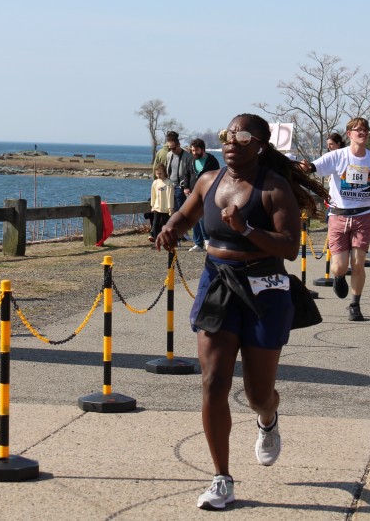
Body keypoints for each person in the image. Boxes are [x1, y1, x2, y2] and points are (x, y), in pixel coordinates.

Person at [154, 113, 328, 510]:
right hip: (218, 283)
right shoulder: (207, 180)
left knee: (258, 394)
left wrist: (246, 229)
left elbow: (289, 247)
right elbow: (187, 214)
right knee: (213, 381)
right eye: (228, 134)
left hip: (264, 287)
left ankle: (268, 419)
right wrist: (171, 228)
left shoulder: (274, 189)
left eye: (243, 136)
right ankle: (222, 479)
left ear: (261, 145)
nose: (232, 141)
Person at [301, 117, 370, 321]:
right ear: (349, 134)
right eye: (358, 130)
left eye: (365, 130)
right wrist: (306, 167)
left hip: (362, 216)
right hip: (338, 216)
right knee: (339, 266)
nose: (362, 133)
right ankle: (339, 277)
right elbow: (314, 167)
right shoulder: (337, 156)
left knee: (358, 263)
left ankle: (355, 304)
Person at [188, 138, 220, 252]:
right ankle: (198, 243)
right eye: (192, 150)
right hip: (192, 192)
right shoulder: (191, 160)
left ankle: (207, 240)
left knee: (202, 217)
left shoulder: (212, 160)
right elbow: (187, 174)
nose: (194, 153)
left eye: (196, 150)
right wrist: (186, 187)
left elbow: (217, 176)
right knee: (193, 217)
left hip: (207, 193)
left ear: (202, 149)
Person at [165, 131, 194, 215]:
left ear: (179, 144)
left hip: (181, 188)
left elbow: (190, 173)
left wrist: (186, 186)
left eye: (174, 148)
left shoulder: (188, 157)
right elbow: (167, 169)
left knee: (180, 212)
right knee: (170, 211)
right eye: (170, 148)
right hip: (170, 186)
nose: (172, 150)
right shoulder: (169, 155)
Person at [148, 164, 174, 244]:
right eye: (157, 174)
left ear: (164, 172)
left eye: (160, 173)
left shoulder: (169, 183)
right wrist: (152, 205)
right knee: (155, 224)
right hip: (157, 207)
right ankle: (156, 240)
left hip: (166, 208)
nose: (158, 175)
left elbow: (170, 196)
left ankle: (167, 240)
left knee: (165, 225)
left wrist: (170, 208)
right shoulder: (155, 183)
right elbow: (153, 195)